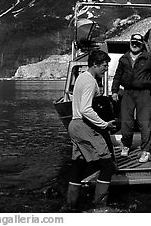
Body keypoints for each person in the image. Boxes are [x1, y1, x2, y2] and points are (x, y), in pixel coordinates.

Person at [66, 49, 117, 211]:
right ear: (94, 64)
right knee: (108, 166)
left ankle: (70, 205)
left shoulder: (81, 77)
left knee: (78, 165)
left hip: (74, 125)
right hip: (84, 126)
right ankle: (99, 207)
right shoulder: (89, 81)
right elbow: (86, 109)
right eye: (104, 65)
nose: (106, 68)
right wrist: (104, 124)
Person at [111, 33, 151, 163]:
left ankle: (146, 151)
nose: (135, 45)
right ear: (130, 43)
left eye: (138, 43)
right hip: (127, 93)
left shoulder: (149, 58)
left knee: (144, 122)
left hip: (144, 93)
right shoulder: (123, 59)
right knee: (126, 121)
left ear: (142, 44)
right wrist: (114, 91)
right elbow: (117, 76)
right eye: (133, 42)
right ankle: (126, 145)